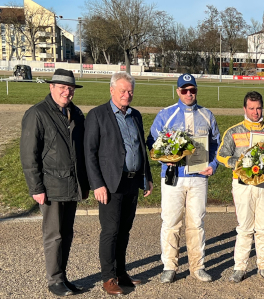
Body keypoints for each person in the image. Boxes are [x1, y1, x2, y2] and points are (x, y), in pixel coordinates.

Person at [20, 69, 89, 297]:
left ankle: (62, 276)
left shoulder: (76, 114)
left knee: (67, 234)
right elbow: (29, 155)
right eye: (62, 87)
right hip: (50, 186)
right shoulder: (37, 114)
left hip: (72, 184)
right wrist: (36, 188)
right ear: (51, 87)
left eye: (70, 88)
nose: (67, 92)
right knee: (54, 235)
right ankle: (54, 280)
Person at [147, 73, 220, 284]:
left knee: (196, 223)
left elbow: (215, 143)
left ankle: (198, 266)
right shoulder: (165, 114)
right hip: (173, 177)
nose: (189, 94)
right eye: (185, 90)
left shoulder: (207, 115)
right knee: (170, 223)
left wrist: (213, 165)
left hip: (198, 177)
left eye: (193, 90)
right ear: (178, 91)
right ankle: (169, 266)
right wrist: (164, 159)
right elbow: (152, 142)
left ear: (197, 90)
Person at [85, 72, 154, 296]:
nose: (127, 95)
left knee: (125, 230)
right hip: (110, 183)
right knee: (110, 231)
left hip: (132, 181)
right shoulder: (97, 115)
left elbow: (140, 149)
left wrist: (147, 177)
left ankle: (122, 273)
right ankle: (108, 278)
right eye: (123, 91)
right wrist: (97, 184)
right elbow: (90, 153)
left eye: (130, 91)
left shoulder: (135, 115)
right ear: (112, 90)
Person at [216, 91, 264, 283]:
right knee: (245, 228)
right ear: (245, 109)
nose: (255, 112)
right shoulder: (233, 131)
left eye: (258, 108)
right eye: (251, 108)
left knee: (263, 227)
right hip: (242, 184)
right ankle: (240, 267)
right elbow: (221, 155)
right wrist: (238, 163)